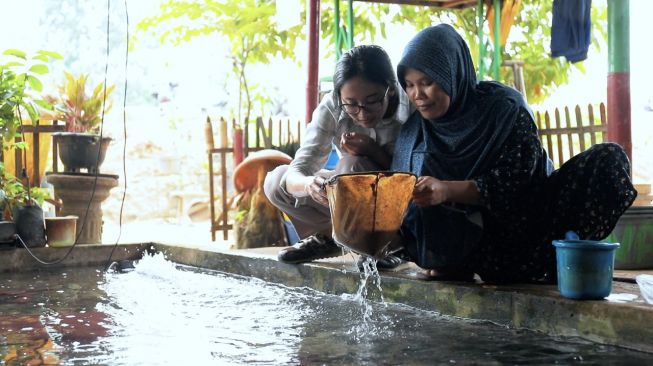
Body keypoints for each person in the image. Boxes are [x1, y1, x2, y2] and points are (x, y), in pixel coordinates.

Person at [392, 24, 637, 284]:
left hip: (536, 223)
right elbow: (402, 205)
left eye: (427, 82)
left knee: (609, 160)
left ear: (453, 73)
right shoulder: (414, 133)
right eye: (409, 85)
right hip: (483, 251)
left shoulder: (503, 109)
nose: (417, 95)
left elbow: (517, 181)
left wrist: (446, 189)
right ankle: (454, 264)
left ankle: (565, 258)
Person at [264, 45, 413, 268]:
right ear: (338, 96)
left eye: (372, 101)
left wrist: (373, 151)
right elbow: (300, 167)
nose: (361, 113)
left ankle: (390, 245)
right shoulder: (332, 107)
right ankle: (330, 239)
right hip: (353, 206)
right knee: (277, 181)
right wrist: (308, 185)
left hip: (401, 209)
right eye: (351, 104)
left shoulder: (412, 107)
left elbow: (418, 176)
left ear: (390, 89)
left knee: (352, 166)